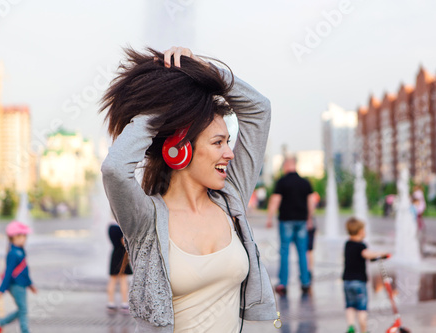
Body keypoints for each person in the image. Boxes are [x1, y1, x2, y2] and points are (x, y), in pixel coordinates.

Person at [100, 46, 277, 332]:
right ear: (178, 150)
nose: (230, 153)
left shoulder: (231, 199)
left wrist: (203, 68)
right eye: (218, 143)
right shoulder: (146, 220)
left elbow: (259, 109)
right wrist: (166, 103)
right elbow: (115, 169)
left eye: (228, 142)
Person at [266, 156, 315, 296]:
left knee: (284, 252)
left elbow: (275, 200)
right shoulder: (305, 182)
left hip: (286, 220)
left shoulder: (282, 182)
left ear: (287, 165)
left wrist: (269, 218)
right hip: (301, 221)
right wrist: (309, 219)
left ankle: (283, 283)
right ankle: (305, 283)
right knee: (302, 252)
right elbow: (311, 202)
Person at [343, 217, 388, 333]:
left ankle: (351, 327)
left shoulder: (347, 244)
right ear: (360, 232)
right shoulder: (361, 246)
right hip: (359, 282)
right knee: (362, 308)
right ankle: (364, 331)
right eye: (364, 229)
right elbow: (367, 254)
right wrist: (380, 254)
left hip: (347, 281)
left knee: (350, 306)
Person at [0, 221, 37, 333]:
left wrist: (30, 284)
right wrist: (1, 289)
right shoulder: (13, 253)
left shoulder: (20, 251)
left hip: (22, 285)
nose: (25, 239)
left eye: (25, 236)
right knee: (23, 310)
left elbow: (25, 271)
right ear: (14, 237)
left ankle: (0, 323)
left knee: (22, 310)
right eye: (22, 236)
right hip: (16, 286)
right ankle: (24, 330)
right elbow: (8, 273)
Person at [107, 223, 132, 312]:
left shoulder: (110, 227)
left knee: (112, 279)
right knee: (123, 280)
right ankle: (124, 303)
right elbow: (123, 242)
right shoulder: (120, 228)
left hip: (114, 254)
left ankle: (110, 303)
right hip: (122, 255)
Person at [307, 191, 320, 280]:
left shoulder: (310, 195)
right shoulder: (312, 195)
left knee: (307, 249)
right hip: (311, 223)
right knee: (309, 250)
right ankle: (309, 270)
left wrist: (309, 220)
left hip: (308, 223)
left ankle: (309, 270)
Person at [412, 185, 426, 255]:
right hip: (418, 211)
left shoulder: (418, 193)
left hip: (418, 211)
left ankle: (418, 231)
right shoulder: (419, 193)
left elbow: (420, 202)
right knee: (418, 222)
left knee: (418, 223)